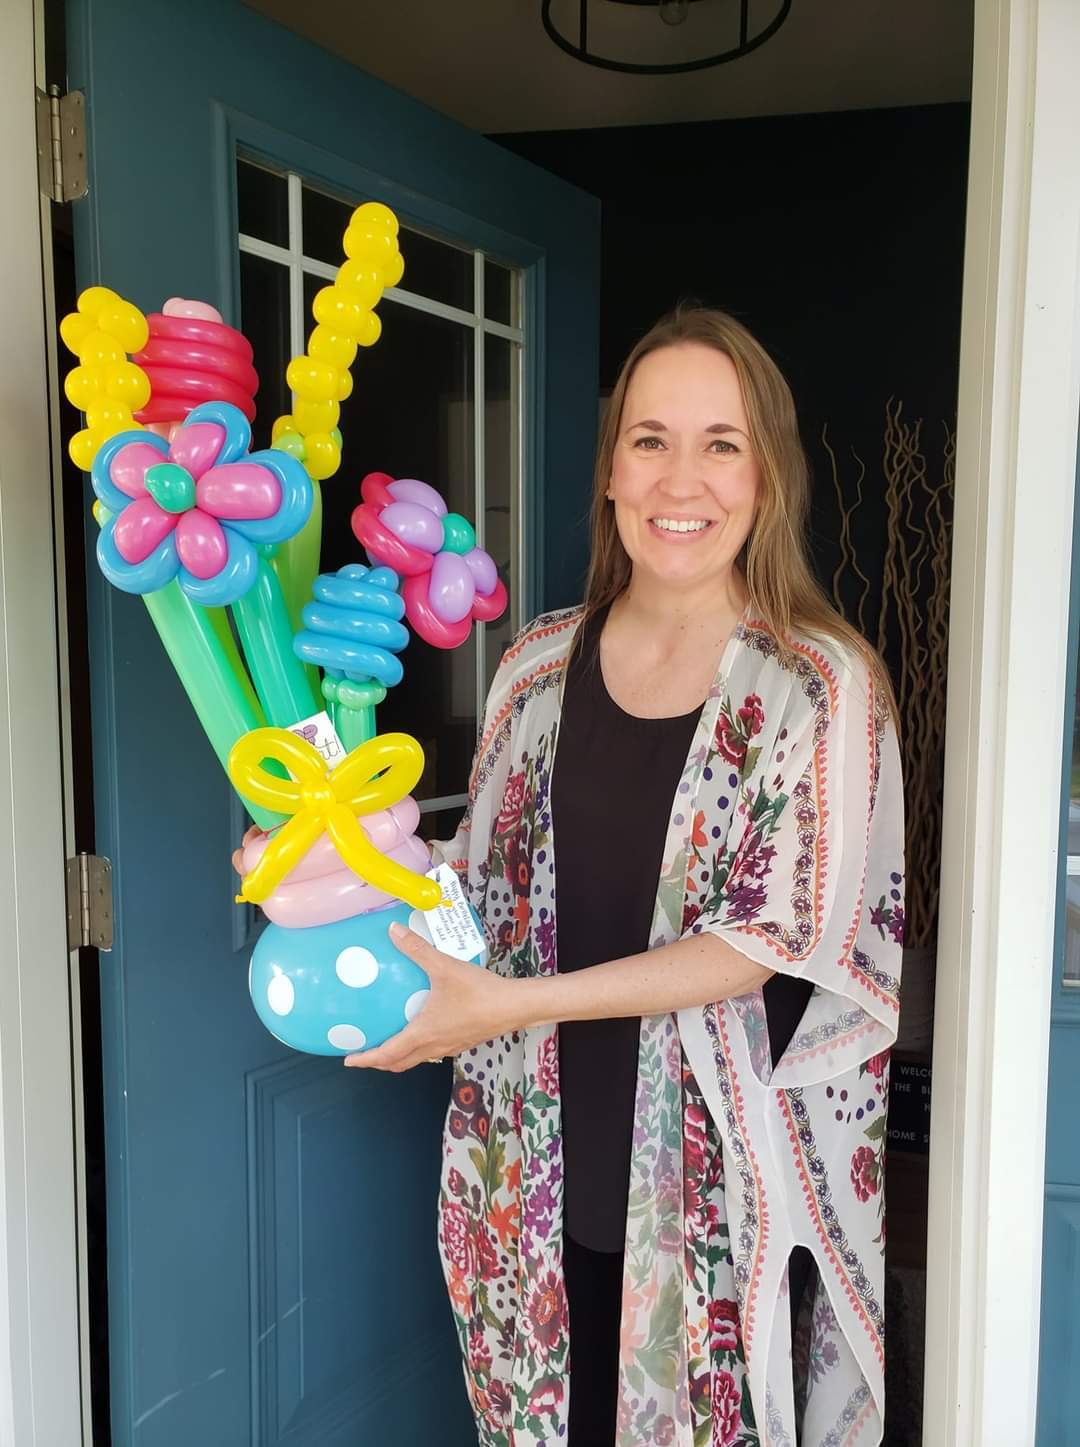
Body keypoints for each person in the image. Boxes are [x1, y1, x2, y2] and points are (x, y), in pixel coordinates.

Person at [347, 307, 904, 1447]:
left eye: (721, 443)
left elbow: (769, 937)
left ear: (767, 475)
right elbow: (477, 882)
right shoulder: (535, 665)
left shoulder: (819, 685)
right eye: (650, 440)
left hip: (714, 1201)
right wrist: (334, 858)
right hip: (535, 1168)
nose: (679, 479)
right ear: (611, 470)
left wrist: (517, 1004)